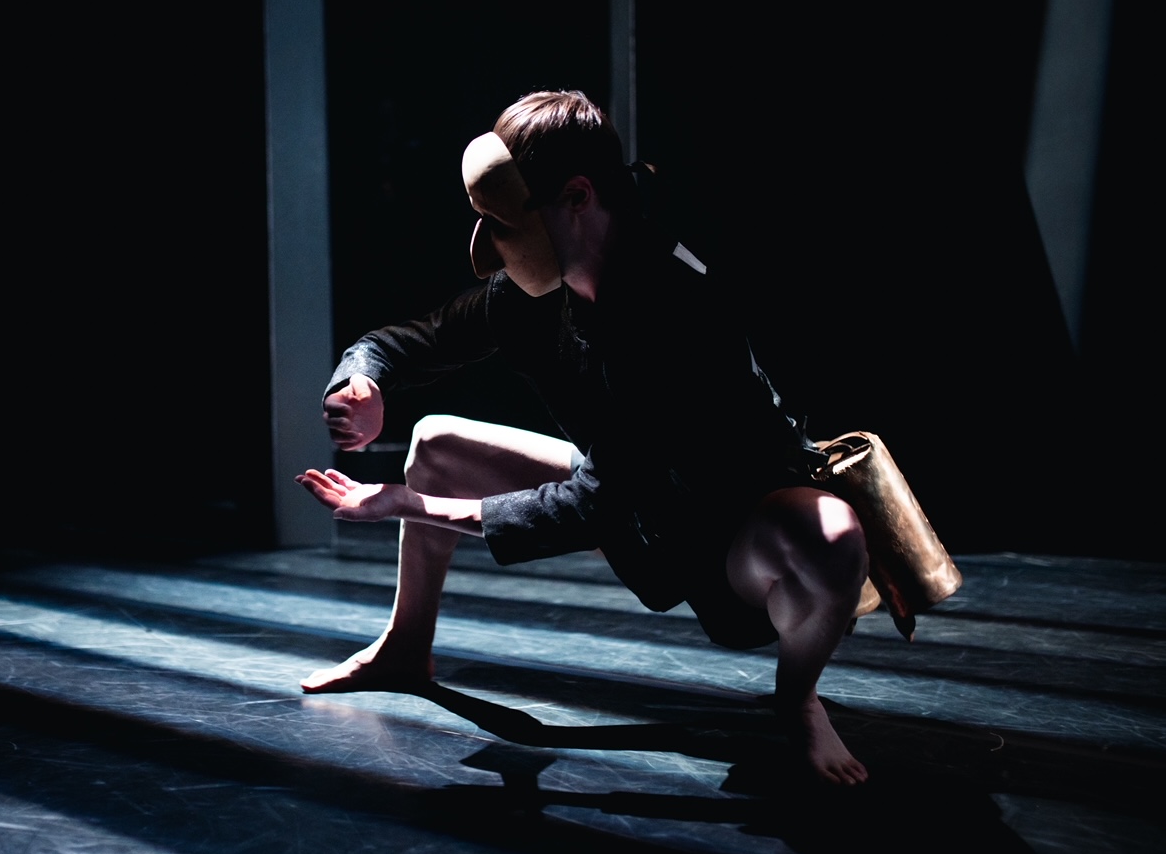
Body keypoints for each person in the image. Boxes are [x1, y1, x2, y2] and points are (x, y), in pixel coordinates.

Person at [295, 90, 870, 785]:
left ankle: (799, 698)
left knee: (829, 536)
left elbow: (595, 502)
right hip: (635, 514)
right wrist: (363, 383)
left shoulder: (679, 306)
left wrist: (406, 505)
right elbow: (411, 342)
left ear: (576, 197)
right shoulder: (532, 295)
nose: (484, 250)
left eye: (501, 221)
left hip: (733, 550)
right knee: (436, 444)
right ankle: (404, 647)